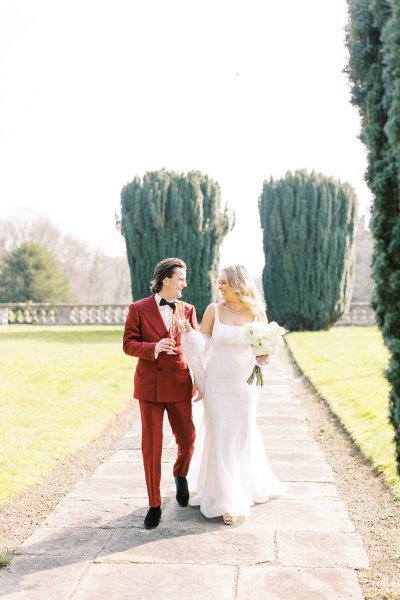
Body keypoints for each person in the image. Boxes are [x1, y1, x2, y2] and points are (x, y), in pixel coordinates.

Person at [182, 265, 287, 525]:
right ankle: (225, 499)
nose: (220, 287)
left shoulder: (255, 312)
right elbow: (203, 344)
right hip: (218, 382)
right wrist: (189, 333)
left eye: (224, 283)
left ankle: (239, 490)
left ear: (239, 284)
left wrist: (264, 355)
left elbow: (264, 346)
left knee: (240, 435)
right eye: (219, 283)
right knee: (219, 434)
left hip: (244, 383)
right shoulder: (213, 310)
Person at [123, 257, 199, 529]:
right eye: (181, 279)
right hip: (150, 388)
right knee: (152, 448)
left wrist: (199, 378)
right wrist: (153, 347)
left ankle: (180, 474)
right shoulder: (138, 308)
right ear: (166, 279)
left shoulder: (188, 309)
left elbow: (195, 347)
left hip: (179, 383)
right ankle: (154, 504)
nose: (184, 284)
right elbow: (128, 344)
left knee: (188, 438)